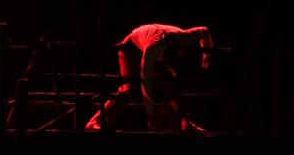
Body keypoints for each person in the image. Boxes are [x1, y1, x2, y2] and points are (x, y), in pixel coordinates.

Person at [85, 24, 213, 132]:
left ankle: (186, 124)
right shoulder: (152, 51)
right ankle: (95, 121)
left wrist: (206, 58)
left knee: (171, 85)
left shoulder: (184, 37)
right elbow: (145, 84)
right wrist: (150, 116)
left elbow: (205, 31)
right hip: (131, 46)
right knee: (130, 88)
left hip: (156, 40)